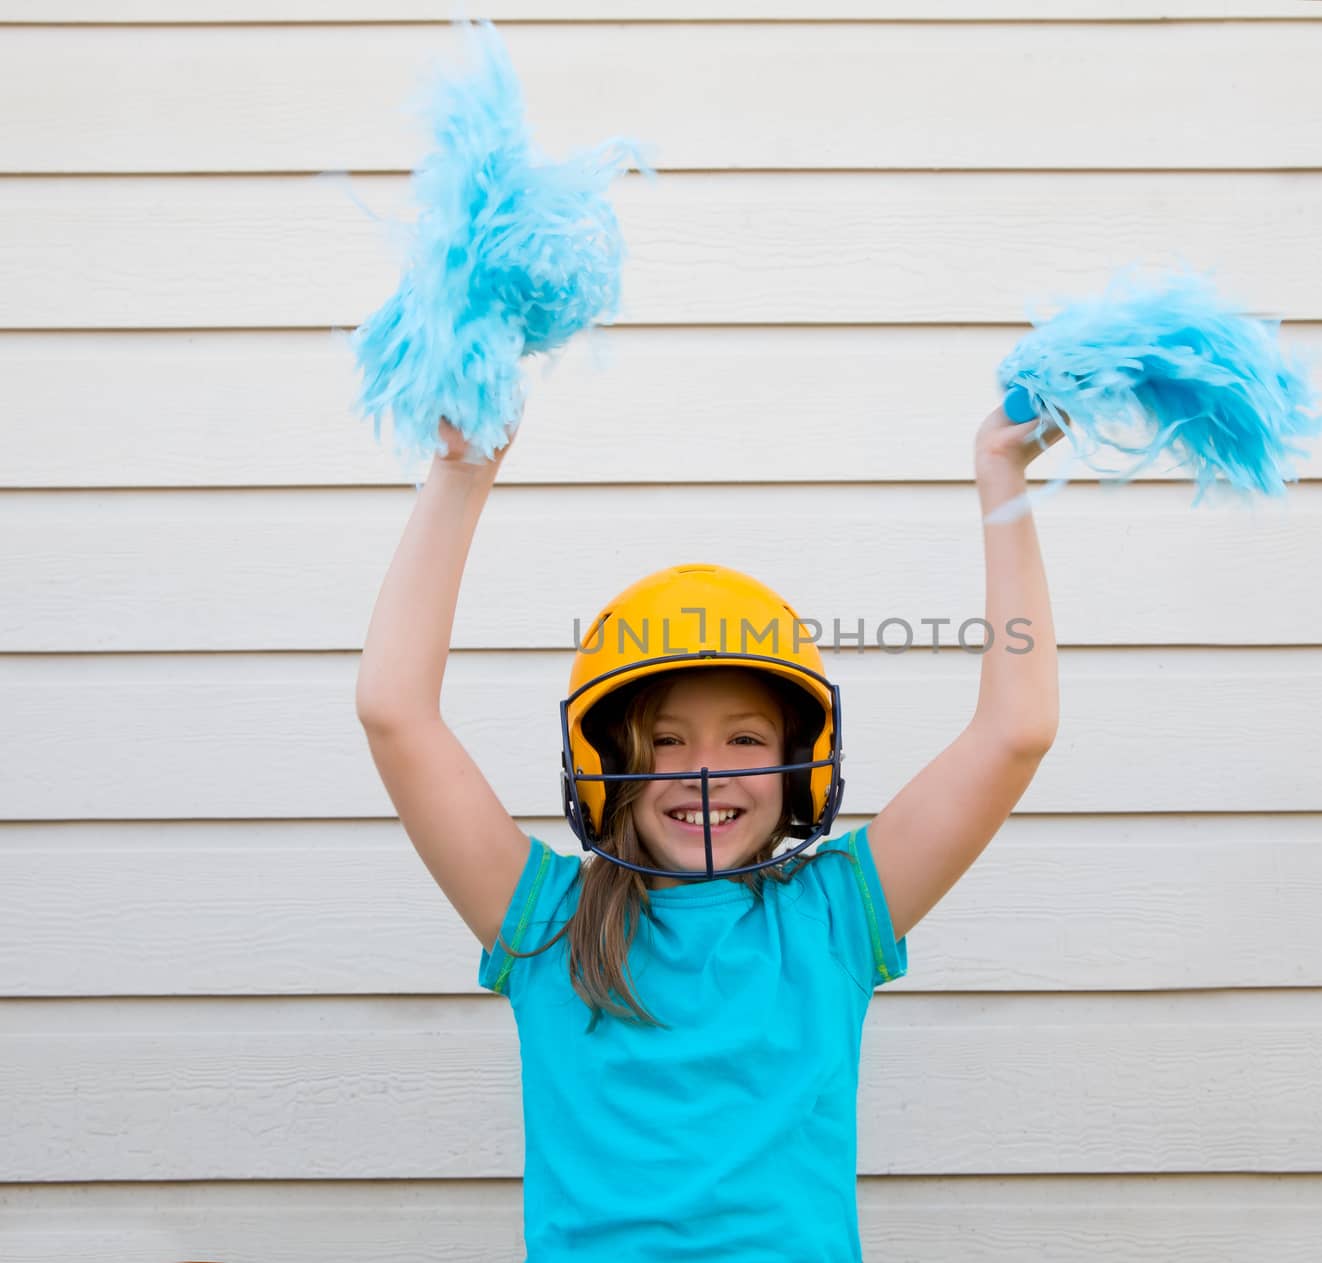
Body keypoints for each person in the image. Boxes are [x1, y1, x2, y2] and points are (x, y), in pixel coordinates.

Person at [356, 407, 1062, 1260]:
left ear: (800, 763)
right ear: (604, 763)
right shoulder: (547, 923)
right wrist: (462, 473)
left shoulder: (832, 915)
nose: (706, 770)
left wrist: (1002, 474)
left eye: (746, 738)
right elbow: (394, 711)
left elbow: (1015, 730)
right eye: (663, 741)